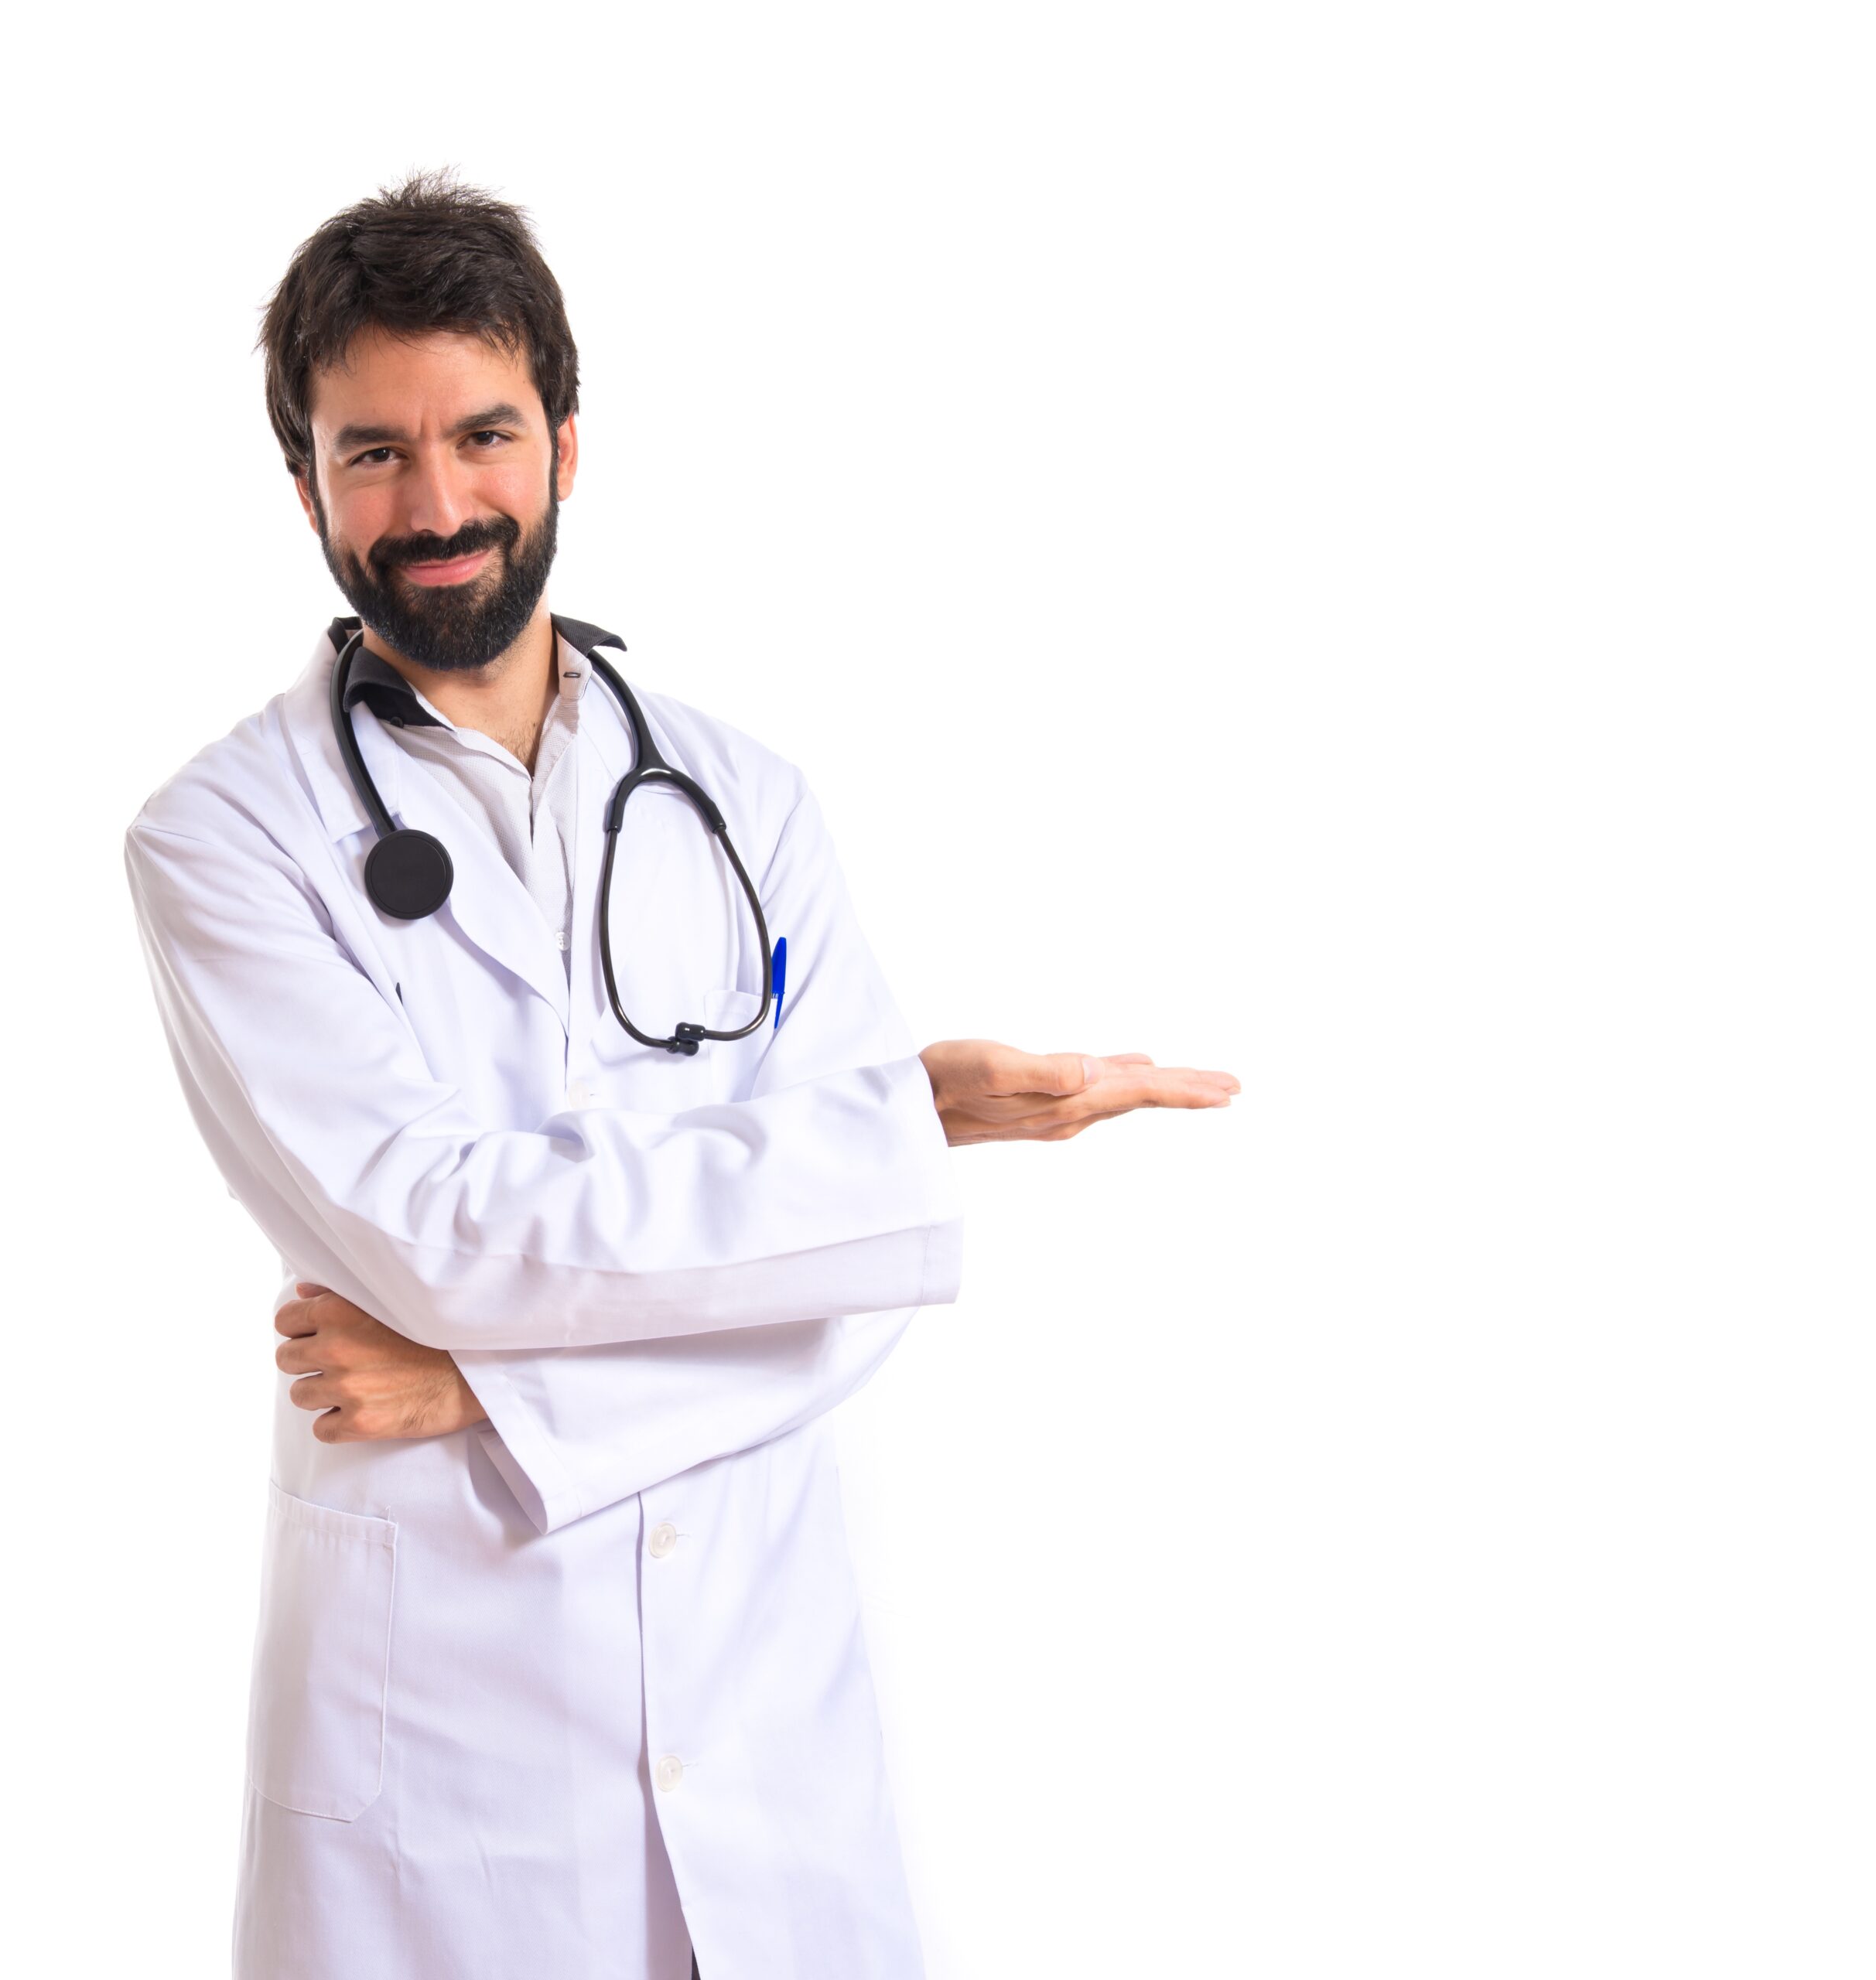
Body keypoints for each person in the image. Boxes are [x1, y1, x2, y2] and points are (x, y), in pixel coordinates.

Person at [124, 171, 1239, 1980]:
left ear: (565, 442)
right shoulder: (223, 838)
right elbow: (445, 1235)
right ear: (306, 481)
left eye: (482, 433)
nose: (436, 504)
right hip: (447, 1788)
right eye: (372, 453)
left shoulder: (745, 799)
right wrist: (882, 1142)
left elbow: (853, 1280)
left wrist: (482, 1391)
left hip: (770, 1736)